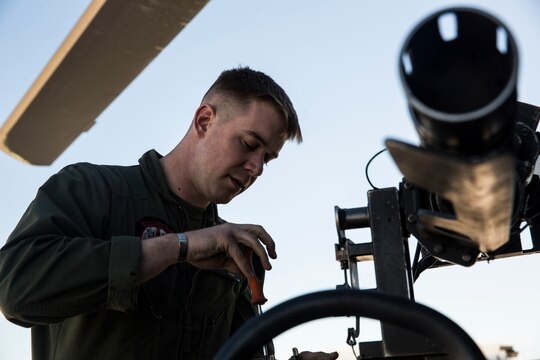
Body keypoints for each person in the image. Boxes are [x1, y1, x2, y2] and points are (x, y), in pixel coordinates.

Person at [0, 67, 338, 360]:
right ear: (204, 121)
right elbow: (15, 289)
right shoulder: (92, 188)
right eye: (249, 144)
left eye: (268, 158)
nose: (256, 168)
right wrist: (177, 247)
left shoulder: (234, 251)